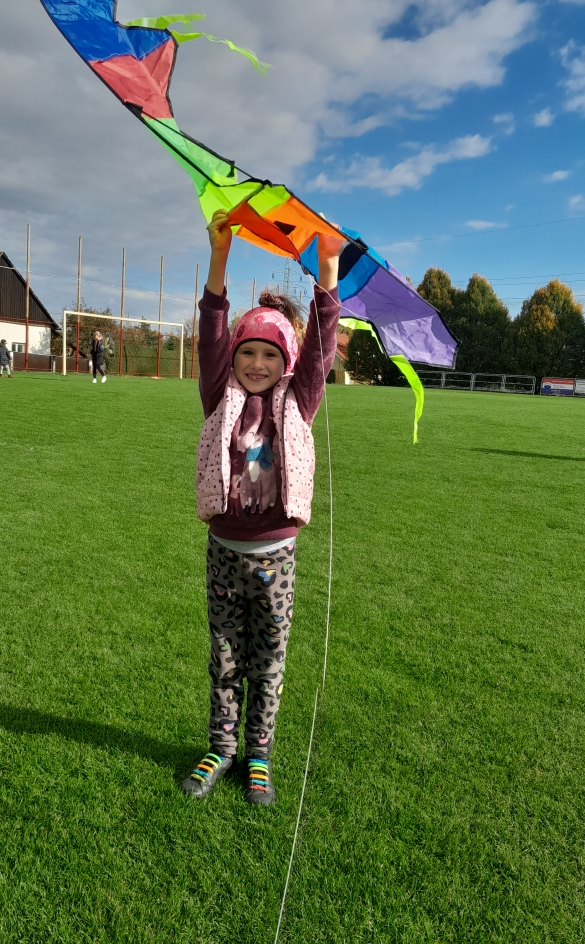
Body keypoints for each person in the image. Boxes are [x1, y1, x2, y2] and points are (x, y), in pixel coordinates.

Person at [181, 209, 343, 807]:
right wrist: (219, 258)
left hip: (276, 558)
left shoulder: (299, 402)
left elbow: (322, 347)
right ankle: (220, 748)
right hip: (224, 554)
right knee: (225, 657)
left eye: (269, 355)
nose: (256, 363)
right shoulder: (217, 395)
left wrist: (328, 270)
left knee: (268, 661)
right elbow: (210, 334)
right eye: (247, 352)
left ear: (287, 362)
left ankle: (258, 754)